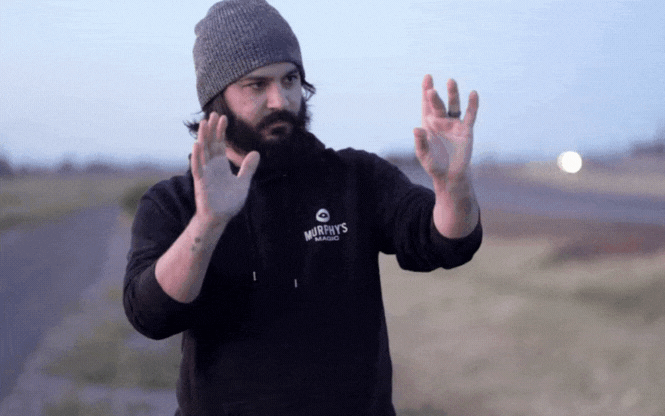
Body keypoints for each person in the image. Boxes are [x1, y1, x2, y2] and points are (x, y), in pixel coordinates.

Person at [123, 0, 482, 414]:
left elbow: (444, 242)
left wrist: (453, 186)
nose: (281, 100)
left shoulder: (355, 178)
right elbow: (151, 316)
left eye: (290, 79)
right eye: (257, 85)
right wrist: (208, 221)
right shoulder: (173, 202)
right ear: (216, 100)